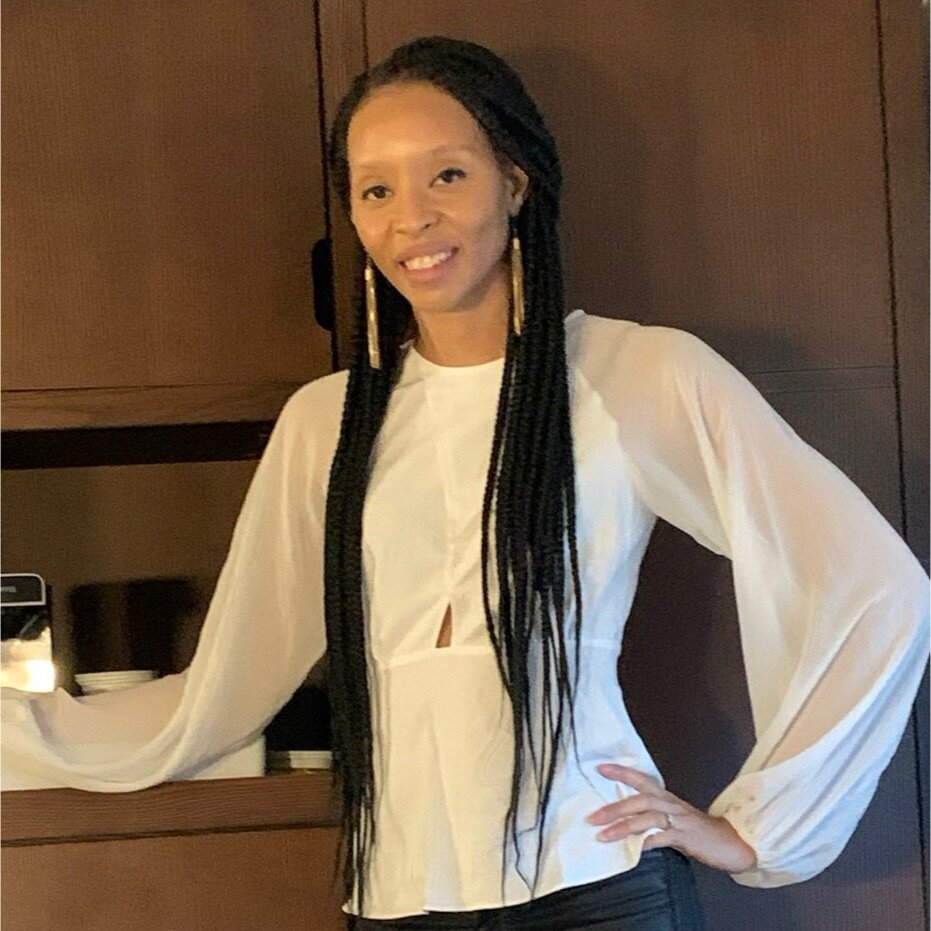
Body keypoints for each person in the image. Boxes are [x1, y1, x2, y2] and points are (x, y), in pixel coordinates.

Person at [1, 35, 928, 931]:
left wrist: (754, 831)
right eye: (376, 189)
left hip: (597, 881)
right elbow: (225, 690)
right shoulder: (326, 425)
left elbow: (875, 587)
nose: (411, 218)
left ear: (513, 183)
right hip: (400, 897)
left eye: (446, 175)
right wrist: (23, 730)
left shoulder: (637, 374)